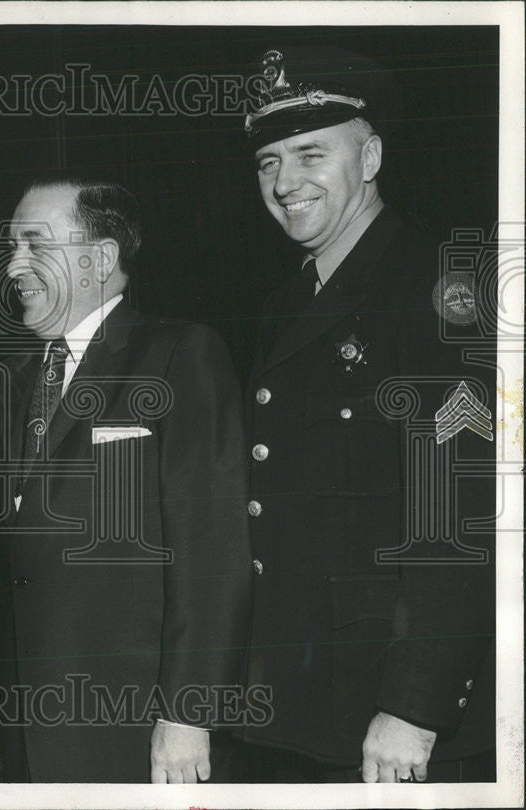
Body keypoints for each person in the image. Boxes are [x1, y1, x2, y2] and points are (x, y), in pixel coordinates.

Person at [239, 46, 495, 782]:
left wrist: (417, 705)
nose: (285, 183)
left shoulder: (442, 286)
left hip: (396, 711)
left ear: (372, 155)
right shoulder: (289, 301)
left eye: (310, 153)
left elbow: (464, 511)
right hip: (303, 698)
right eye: (267, 162)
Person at [0, 176, 252, 782]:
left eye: (34, 244)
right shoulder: (7, 383)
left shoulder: (179, 355)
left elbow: (212, 549)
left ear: (98, 260)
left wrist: (189, 712)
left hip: (140, 726)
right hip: (27, 722)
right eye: (11, 246)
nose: (13, 264)